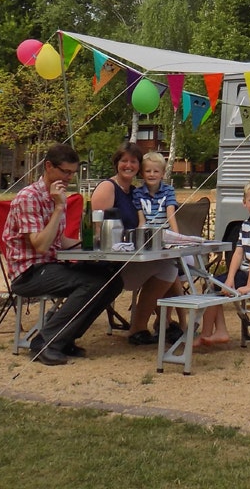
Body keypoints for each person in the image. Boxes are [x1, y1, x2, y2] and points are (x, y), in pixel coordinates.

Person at [3, 143, 123, 366]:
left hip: (52, 264)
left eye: (73, 173)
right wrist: (59, 208)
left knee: (112, 280)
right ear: (49, 166)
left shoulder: (58, 195)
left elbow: (60, 242)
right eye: (65, 172)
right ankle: (46, 343)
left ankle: (65, 338)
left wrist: (94, 245)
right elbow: (40, 245)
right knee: (91, 283)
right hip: (29, 272)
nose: (69, 178)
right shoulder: (29, 197)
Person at [90, 144, 184, 347]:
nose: (128, 165)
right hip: (111, 263)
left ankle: (157, 324)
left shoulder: (133, 192)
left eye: (133, 161)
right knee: (168, 268)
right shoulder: (108, 187)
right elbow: (97, 230)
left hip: (133, 255)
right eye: (124, 161)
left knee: (168, 265)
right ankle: (155, 325)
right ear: (116, 163)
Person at [195, 179, 250, 347]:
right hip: (244, 273)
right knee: (212, 285)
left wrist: (249, 286)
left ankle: (209, 333)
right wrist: (230, 279)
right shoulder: (246, 225)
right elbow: (238, 253)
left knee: (212, 288)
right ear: (244, 203)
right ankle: (220, 331)